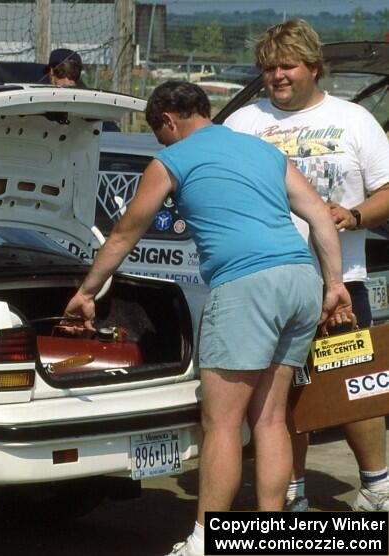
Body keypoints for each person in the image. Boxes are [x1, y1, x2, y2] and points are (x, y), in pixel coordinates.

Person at [63, 81, 354, 556]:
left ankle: (204, 541)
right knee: (271, 419)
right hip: (301, 280)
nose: (162, 143)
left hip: (245, 285)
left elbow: (123, 235)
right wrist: (335, 284)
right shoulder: (262, 151)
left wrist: (86, 293)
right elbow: (320, 218)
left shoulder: (171, 161)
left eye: (160, 135)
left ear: (169, 121)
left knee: (221, 423)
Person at [224, 19, 389, 512]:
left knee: (353, 383)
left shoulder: (354, 119)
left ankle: (377, 486)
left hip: (339, 281)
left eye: (287, 65)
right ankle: (288, 495)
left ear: (314, 67)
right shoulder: (242, 123)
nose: (277, 75)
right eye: (269, 67)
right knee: (282, 392)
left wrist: (354, 214)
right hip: (266, 282)